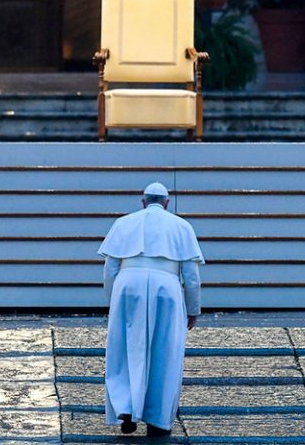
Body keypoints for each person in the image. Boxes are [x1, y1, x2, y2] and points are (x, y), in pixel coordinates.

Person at [98, 182, 204, 437]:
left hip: (128, 284)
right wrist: (193, 309)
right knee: (164, 351)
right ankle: (157, 419)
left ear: (143, 202)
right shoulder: (181, 226)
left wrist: (114, 302)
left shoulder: (124, 223)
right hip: (166, 286)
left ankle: (125, 408)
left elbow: (110, 269)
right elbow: (191, 276)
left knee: (124, 348)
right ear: (167, 203)